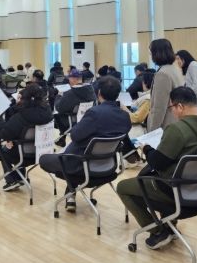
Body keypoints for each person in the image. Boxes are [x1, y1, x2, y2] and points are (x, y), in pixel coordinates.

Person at [117, 87, 197, 250]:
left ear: (180, 106)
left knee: (123, 187)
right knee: (172, 171)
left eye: (172, 107)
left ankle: (158, 231)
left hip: (173, 190)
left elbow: (157, 163)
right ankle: (170, 225)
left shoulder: (177, 129)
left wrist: (146, 149)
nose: (172, 112)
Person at [39, 76, 131, 212]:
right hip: (108, 166)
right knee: (77, 156)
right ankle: (70, 196)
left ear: (99, 93)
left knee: (45, 159)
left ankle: (71, 195)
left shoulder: (95, 113)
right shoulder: (125, 116)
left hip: (83, 166)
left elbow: (75, 135)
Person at [0, 83, 54, 191]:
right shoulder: (48, 112)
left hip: (23, 155)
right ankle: (20, 177)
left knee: (3, 149)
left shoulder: (21, 116)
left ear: (25, 98)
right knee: (15, 144)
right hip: (43, 152)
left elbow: (3, 134)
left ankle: (12, 180)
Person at [147, 39, 184, 131]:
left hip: (166, 123)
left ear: (157, 53)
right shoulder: (175, 69)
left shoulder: (162, 74)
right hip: (176, 120)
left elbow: (159, 107)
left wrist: (152, 131)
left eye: (151, 52)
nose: (150, 55)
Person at [54, 68, 97, 145]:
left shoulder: (71, 93)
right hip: (88, 119)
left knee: (56, 114)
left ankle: (62, 137)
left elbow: (59, 107)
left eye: (69, 78)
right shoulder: (91, 90)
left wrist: (59, 96)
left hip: (73, 121)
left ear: (74, 79)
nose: (69, 80)